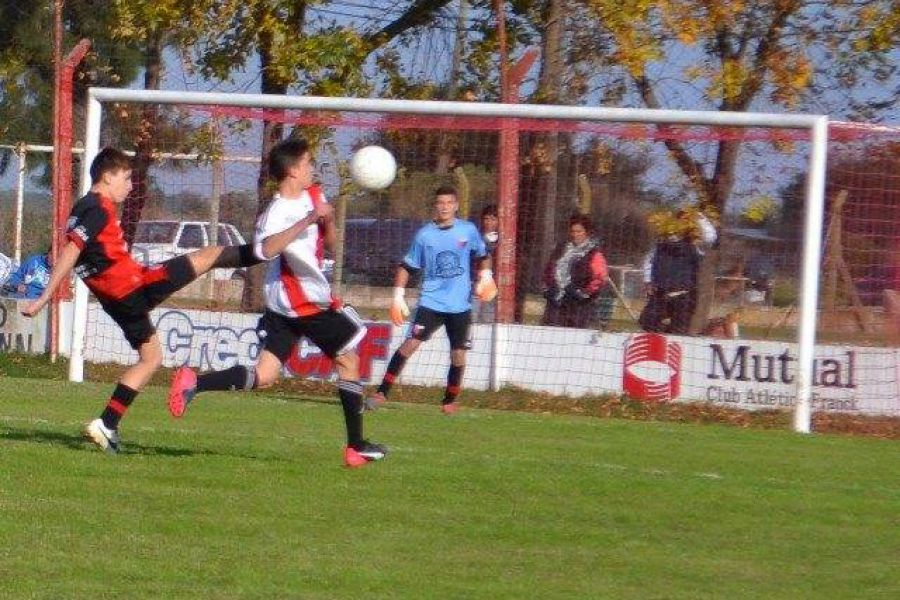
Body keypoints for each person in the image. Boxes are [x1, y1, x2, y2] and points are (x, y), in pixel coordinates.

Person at [21, 147, 275, 454]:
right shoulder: (96, 208)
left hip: (117, 301)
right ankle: (266, 250)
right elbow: (70, 253)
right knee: (209, 255)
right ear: (108, 176)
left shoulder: (82, 208)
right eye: (126, 178)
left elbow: (73, 253)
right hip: (136, 286)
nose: (130, 186)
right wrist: (45, 297)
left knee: (151, 358)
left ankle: (107, 423)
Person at [166, 138, 386, 468]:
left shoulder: (314, 194)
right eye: (309, 162)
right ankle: (355, 446)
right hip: (299, 299)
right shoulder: (276, 212)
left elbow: (333, 244)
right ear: (294, 170)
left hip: (292, 302)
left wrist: (327, 221)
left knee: (265, 375)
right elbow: (265, 250)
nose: (313, 167)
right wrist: (309, 219)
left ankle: (194, 382)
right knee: (349, 361)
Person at [367, 185, 497, 414]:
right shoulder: (425, 235)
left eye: (449, 203)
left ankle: (449, 400)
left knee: (458, 354)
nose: (445, 207)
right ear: (435, 206)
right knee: (410, 345)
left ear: (456, 206)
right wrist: (398, 296)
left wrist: (486, 276)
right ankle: (381, 392)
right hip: (431, 303)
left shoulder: (467, 231)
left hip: (460, 306)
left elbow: (483, 256)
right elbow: (406, 266)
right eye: (441, 203)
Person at [639, 209, 717, 334]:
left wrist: (700, 218)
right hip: (660, 294)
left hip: (683, 296)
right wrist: (647, 280)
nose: (673, 232)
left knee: (678, 331)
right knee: (646, 322)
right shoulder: (660, 244)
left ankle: (671, 337)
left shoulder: (695, 245)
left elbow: (710, 238)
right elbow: (649, 260)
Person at [541, 214, 609, 329]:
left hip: (579, 307)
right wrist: (547, 287)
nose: (575, 235)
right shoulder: (561, 249)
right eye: (573, 231)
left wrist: (582, 293)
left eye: (579, 231)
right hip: (556, 302)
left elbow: (600, 278)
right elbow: (549, 269)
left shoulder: (594, 254)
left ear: (587, 232)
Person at [471, 204, 499, 324]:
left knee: (487, 320)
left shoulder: (503, 240)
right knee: (471, 318)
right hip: (474, 284)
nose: (489, 222)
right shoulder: (475, 238)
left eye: (493, 219)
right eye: (486, 219)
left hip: (493, 286)